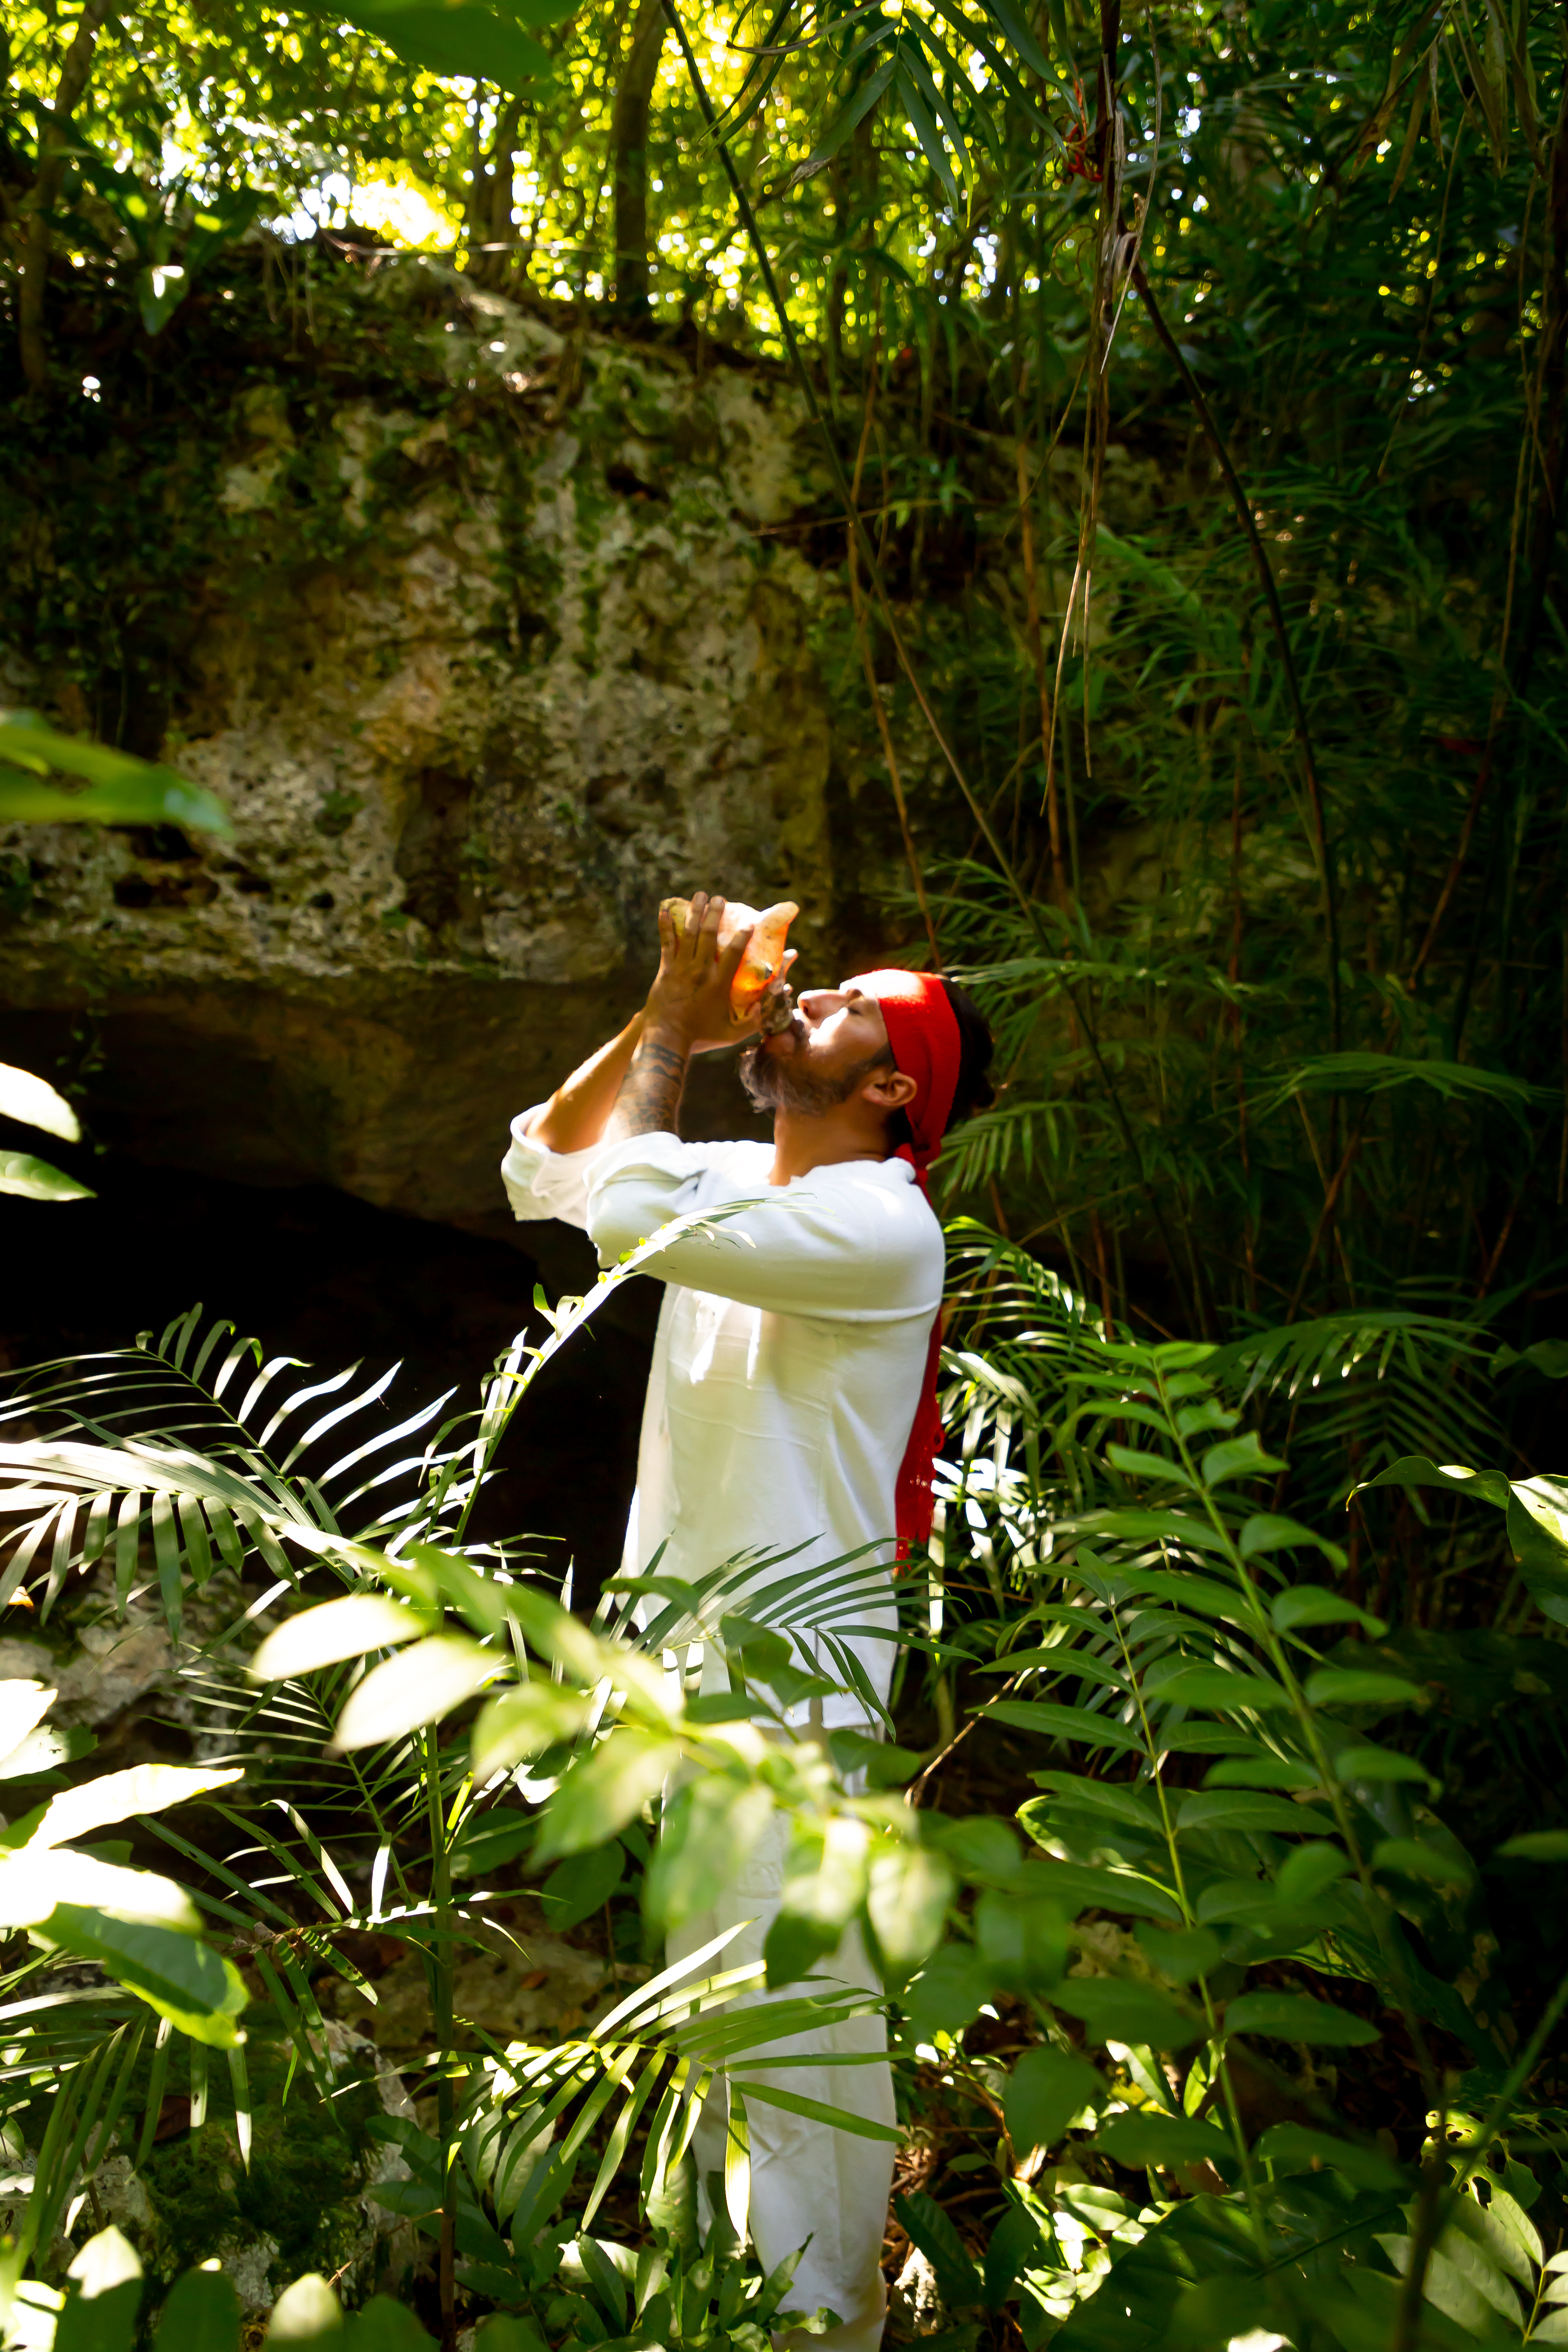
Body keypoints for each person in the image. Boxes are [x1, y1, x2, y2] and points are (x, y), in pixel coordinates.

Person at [501, 893, 995, 2352]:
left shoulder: (874, 1222)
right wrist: (672, 1015)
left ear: (892, 1085)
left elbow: (630, 1222)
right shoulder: (754, 1176)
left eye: (844, 1004)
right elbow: (545, 1167)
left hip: (788, 1679)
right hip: (707, 1667)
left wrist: (673, 1017)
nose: (808, 997)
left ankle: (800, 2325)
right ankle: (814, 2319)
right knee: (762, 2017)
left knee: (786, 2026)